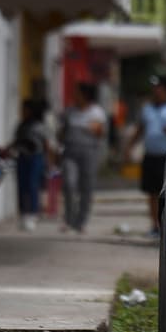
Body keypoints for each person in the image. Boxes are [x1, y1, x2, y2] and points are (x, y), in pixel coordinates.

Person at [125, 74, 166, 236]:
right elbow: (140, 129)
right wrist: (129, 147)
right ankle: (155, 225)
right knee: (152, 193)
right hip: (150, 155)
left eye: (159, 88)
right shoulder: (146, 109)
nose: (155, 91)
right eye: (154, 88)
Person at [58, 82, 106, 233]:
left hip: (89, 152)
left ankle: (81, 221)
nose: (74, 96)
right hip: (70, 151)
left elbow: (101, 134)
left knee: (86, 187)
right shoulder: (69, 112)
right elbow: (61, 133)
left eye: (77, 93)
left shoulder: (96, 112)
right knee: (69, 183)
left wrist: (95, 129)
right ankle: (69, 218)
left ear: (85, 95)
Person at [12, 99, 52, 231]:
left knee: (32, 184)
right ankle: (23, 213)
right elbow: (16, 141)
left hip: (36, 158)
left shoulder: (39, 126)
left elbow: (46, 144)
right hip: (22, 157)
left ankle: (33, 214)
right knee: (22, 185)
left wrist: (48, 161)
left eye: (24, 109)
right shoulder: (21, 125)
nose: (22, 112)